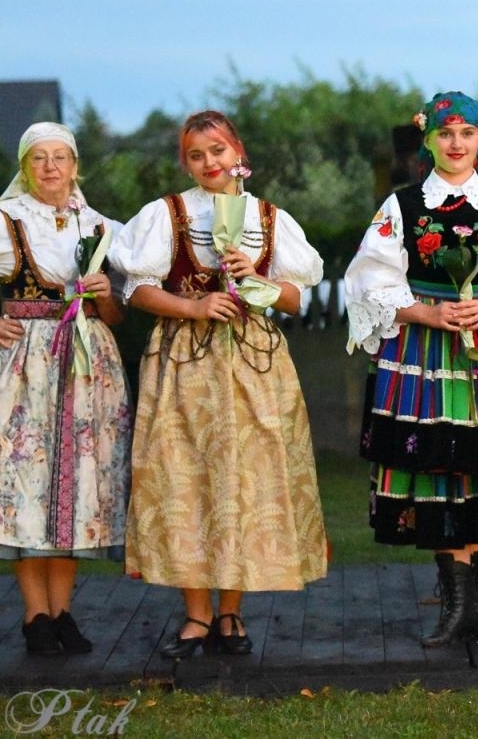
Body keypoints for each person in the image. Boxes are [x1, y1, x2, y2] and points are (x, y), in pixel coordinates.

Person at [343, 91, 478, 647]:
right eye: (445, 134)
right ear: (429, 139)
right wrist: (426, 312)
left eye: (466, 133)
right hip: (425, 350)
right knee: (437, 464)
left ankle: (474, 606)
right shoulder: (404, 207)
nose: (456, 143)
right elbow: (368, 278)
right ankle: (456, 602)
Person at [111, 110, 327, 659]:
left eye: (217, 151)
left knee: (245, 482)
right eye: (196, 155)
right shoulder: (168, 214)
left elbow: (297, 298)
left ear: (239, 154)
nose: (209, 163)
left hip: (254, 361)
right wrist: (194, 304)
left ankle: (230, 611)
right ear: (186, 162)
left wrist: (256, 279)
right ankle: (196, 614)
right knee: (183, 477)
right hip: (184, 359)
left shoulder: (269, 218)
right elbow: (135, 290)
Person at [0, 121, 130, 655]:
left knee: (76, 491)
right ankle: (36, 615)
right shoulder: (1, 223)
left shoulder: (104, 227)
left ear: (76, 165)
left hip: (87, 369)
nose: (51, 167)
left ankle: (63, 613)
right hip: (24, 370)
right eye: (39, 158)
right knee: (26, 489)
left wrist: (106, 294)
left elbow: (116, 314)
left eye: (61, 157)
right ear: (24, 166)